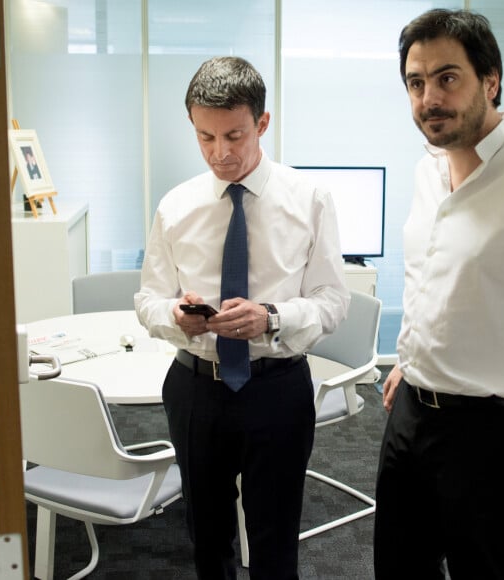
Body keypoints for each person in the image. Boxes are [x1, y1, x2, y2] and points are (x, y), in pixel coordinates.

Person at [135, 56, 349, 580]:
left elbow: (332, 300)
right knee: (206, 538)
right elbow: (147, 300)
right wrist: (175, 316)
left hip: (277, 389)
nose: (220, 153)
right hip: (196, 389)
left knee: (275, 539)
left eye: (234, 135)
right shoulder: (175, 206)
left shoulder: (309, 199)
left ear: (262, 123)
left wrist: (272, 317)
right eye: (205, 137)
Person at [374, 9, 504, 580]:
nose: (429, 97)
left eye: (447, 78)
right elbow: (430, 278)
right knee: (398, 568)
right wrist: (411, 357)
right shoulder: (426, 171)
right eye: (416, 82)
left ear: (491, 80)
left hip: (494, 432)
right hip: (410, 414)